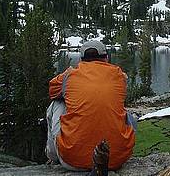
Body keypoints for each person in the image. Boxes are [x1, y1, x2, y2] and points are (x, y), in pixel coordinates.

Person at [46, 40, 135, 171]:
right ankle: (119, 147)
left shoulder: (70, 75)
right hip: (116, 160)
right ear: (106, 58)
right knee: (127, 114)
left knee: (57, 103)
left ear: (81, 59)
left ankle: (53, 154)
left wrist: (68, 76)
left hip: (73, 160)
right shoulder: (119, 75)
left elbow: (52, 92)